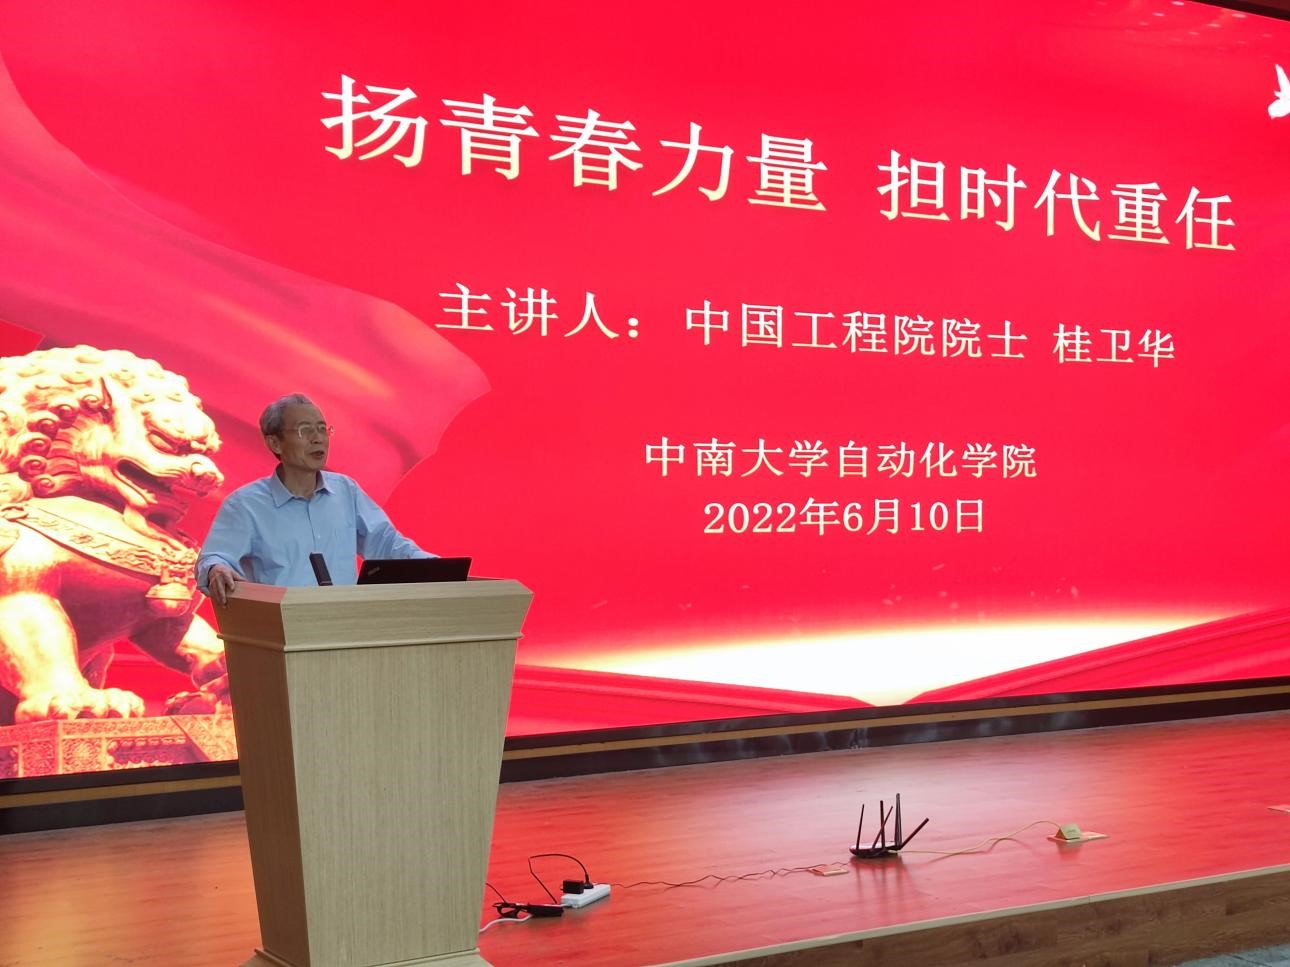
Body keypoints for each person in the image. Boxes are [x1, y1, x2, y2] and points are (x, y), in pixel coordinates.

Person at [196, 393, 431, 605]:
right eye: (305, 430)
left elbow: (386, 543)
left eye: (322, 429)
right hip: (281, 631)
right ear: (274, 443)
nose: (318, 438)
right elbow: (214, 559)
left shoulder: (346, 491)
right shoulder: (245, 505)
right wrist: (216, 569)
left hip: (345, 626)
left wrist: (436, 568)